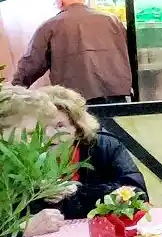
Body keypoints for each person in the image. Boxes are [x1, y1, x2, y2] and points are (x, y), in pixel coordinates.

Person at [37, 85, 147, 220]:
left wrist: (77, 190)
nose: (49, 135)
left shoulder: (105, 147)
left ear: (77, 128)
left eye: (60, 126)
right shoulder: (24, 156)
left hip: (102, 233)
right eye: (41, 126)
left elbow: (138, 194)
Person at [13, 0, 132, 104]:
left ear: (60, 1)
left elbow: (32, 63)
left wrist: (14, 90)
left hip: (75, 98)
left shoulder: (51, 26)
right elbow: (131, 52)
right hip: (117, 94)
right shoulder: (112, 20)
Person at [0, 86, 70, 237]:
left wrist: (48, 196)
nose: (42, 142)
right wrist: (21, 231)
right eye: (31, 133)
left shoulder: (25, 166)